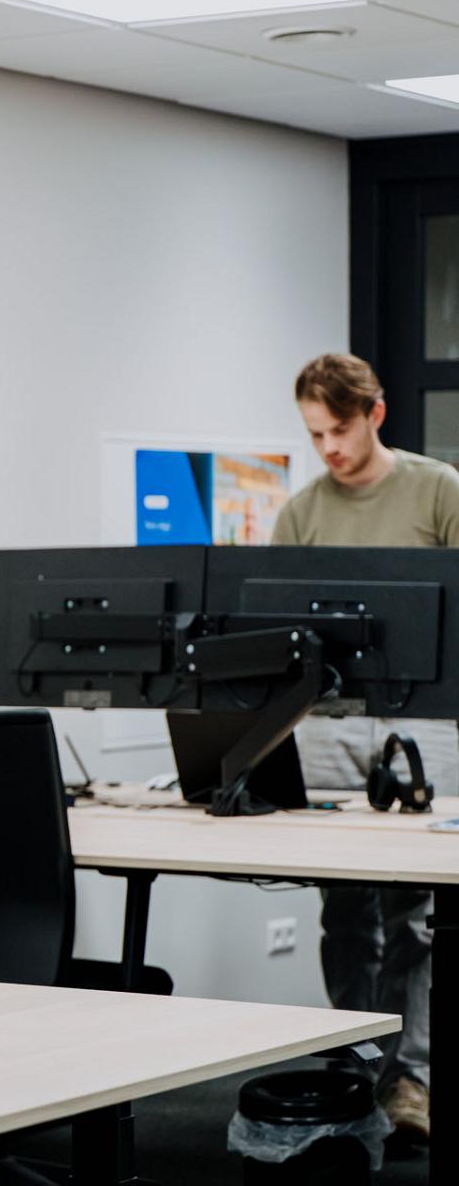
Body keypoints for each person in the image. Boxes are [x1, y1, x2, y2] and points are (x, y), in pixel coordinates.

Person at [274, 352, 459, 1142]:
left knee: (413, 911)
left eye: (340, 431)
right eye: (315, 434)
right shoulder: (301, 510)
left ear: (375, 414)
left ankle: (410, 1079)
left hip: (424, 724)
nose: (329, 451)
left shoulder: (437, 488)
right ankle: (355, 1059)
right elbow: (272, 630)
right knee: (343, 909)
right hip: (331, 724)